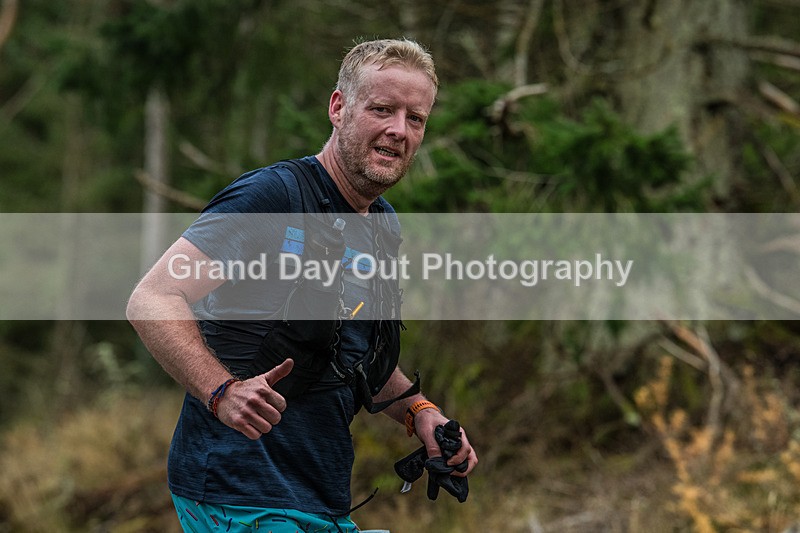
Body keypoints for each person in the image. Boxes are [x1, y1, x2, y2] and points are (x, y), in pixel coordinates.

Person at [127, 38, 477, 532]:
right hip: (238, 494)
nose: (399, 130)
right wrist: (222, 392)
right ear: (338, 108)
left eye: (415, 118)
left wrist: (420, 412)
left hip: (319, 497)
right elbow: (153, 297)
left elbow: (357, 356)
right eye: (381, 109)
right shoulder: (272, 197)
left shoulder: (382, 224)